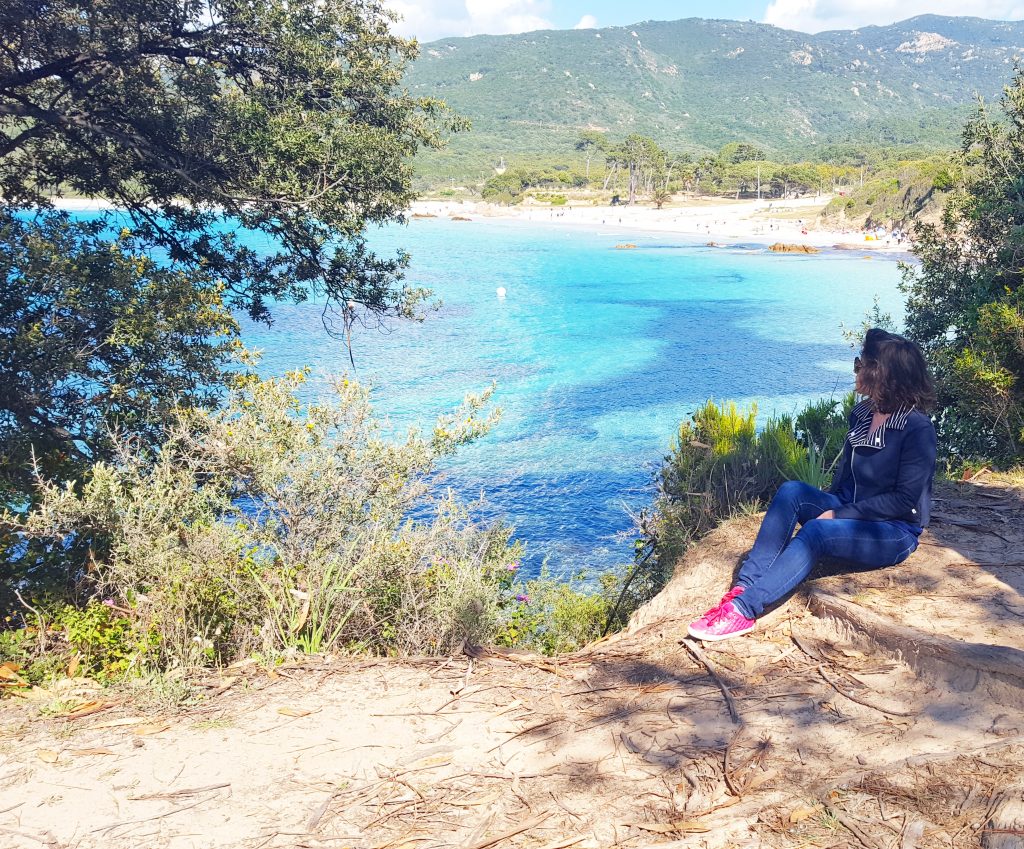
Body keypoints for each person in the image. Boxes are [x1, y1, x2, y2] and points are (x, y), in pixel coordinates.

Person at [687, 328, 937, 642]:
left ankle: (744, 610)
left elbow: (903, 501)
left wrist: (835, 518)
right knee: (792, 490)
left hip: (894, 530)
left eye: (863, 362)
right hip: (851, 511)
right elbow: (846, 479)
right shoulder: (861, 414)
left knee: (816, 532)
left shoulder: (916, 428)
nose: (856, 368)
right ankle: (745, 586)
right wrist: (830, 506)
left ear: (883, 373)